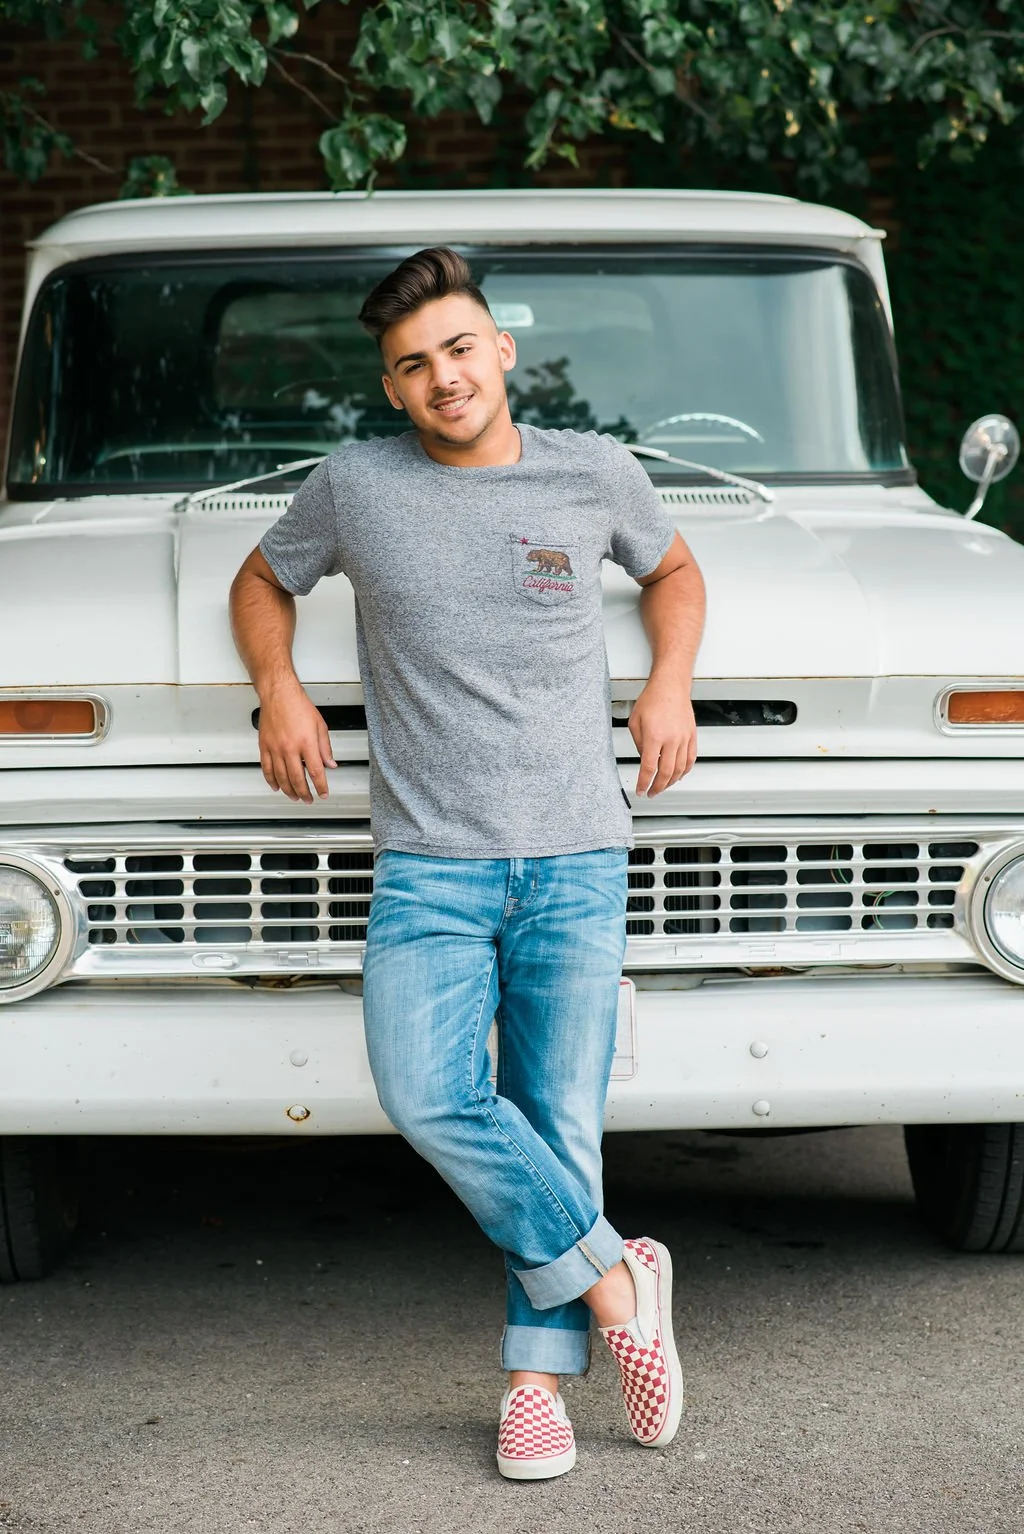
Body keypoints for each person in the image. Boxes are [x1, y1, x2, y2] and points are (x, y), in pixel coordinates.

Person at [229, 247, 706, 1480]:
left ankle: (534, 1387)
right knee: (425, 1088)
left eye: (456, 348)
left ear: (499, 349)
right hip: (430, 862)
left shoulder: (591, 469)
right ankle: (616, 1276)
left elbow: (673, 567)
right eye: (410, 365)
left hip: (576, 853)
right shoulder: (355, 484)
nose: (441, 378)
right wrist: (279, 692)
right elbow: (261, 576)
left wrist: (668, 684)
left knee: (557, 1116)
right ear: (388, 391)